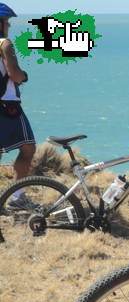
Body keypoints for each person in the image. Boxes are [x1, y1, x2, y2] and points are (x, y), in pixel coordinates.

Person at [0, 3, 37, 209]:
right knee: (28, 148)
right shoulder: (4, 44)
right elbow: (14, 74)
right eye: (6, 21)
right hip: (8, 107)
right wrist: (24, 76)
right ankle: (17, 197)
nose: (9, 26)